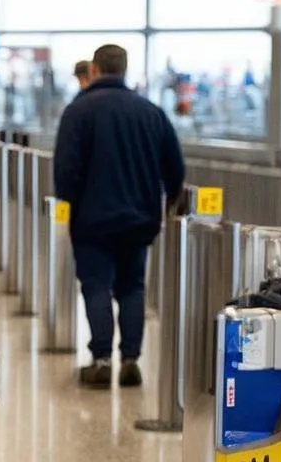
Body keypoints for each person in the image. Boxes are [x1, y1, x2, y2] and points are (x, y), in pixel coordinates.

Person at [54, 43, 185, 389]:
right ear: (124, 70)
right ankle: (130, 360)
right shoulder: (150, 112)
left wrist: (70, 202)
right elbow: (174, 166)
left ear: (94, 70)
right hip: (140, 218)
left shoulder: (78, 111)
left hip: (92, 220)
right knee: (131, 287)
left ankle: (100, 360)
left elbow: (66, 169)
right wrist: (171, 199)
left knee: (96, 285)